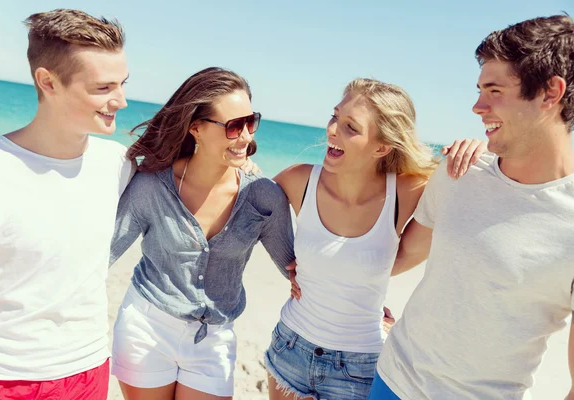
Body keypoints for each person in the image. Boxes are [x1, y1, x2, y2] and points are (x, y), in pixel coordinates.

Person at [369, 14, 574, 400]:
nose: (478, 106)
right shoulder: (459, 171)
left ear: (550, 92)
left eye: (495, 91)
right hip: (391, 381)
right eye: (480, 90)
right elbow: (400, 255)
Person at [265, 78, 487, 399]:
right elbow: (249, 206)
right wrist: (284, 261)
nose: (332, 130)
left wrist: (476, 149)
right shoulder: (299, 179)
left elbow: (467, 189)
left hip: (360, 367)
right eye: (335, 117)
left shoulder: (408, 191)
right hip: (290, 347)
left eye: (350, 127)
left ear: (382, 147)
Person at [108, 67, 296, 400]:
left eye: (250, 122)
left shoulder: (263, 197)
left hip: (215, 339)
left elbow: (297, 272)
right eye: (234, 126)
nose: (246, 137)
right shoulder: (152, 186)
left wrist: (364, 308)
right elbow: (101, 255)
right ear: (195, 128)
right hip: (147, 327)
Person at [0, 9, 133, 400]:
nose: (122, 101)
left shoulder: (119, 163)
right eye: (103, 88)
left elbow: (192, 178)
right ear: (48, 81)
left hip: (87, 369)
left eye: (123, 84)